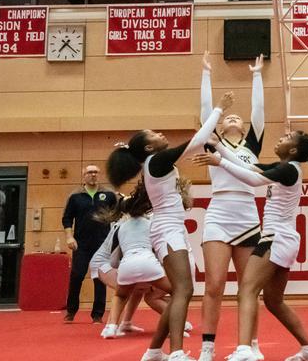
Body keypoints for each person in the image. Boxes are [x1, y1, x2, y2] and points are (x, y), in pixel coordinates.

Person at [106, 91, 234, 361]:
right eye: (153, 134)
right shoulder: (157, 161)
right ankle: (176, 353)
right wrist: (219, 109)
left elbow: (197, 143)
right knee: (183, 291)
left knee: (180, 292)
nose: (160, 134)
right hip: (167, 229)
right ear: (149, 148)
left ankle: (154, 351)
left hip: (170, 228)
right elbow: (197, 141)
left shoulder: (155, 162)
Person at [193, 130, 308, 361]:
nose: (280, 138)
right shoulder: (285, 167)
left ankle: (245, 349)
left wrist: (219, 161)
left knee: (247, 289)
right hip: (285, 239)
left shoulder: (288, 169)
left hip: (275, 237)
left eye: (286, 138)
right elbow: (250, 169)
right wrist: (221, 149)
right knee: (274, 301)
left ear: (294, 150)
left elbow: (253, 180)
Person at [198, 52, 266, 361]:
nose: (234, 118)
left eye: (237, 117)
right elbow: (204, 115)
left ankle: (250, 344)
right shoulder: (213, 143)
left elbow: (259, 111)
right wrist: (206, 74)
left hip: (248, 214)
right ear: (221, 127)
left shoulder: (252, 145)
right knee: (214, 283)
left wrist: (256, 75)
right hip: (219, 212)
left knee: (249, 287)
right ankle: (208, 346)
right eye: (228, 118)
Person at [90, 182, 190, 339]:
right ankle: (175, 325)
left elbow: (118, 254)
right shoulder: (152, 223)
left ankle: (110, 327)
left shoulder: (120, 226)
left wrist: (123, 271)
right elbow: (158, 247)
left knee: (121, 294)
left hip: (126, 265)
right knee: (178, 292)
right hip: (143, 262)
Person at [61, 164, 117, 323]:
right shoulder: (75, 196)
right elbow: (66, 218)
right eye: (90, 172)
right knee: (77, 275)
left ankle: (97, 315)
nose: (93, 175)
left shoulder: (109, 194)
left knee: (100, 278)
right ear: (84, 175)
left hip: (103, 243)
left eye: (96, 172)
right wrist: (69, 237)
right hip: (81, 244)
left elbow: (118, 214)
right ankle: (71, 311)